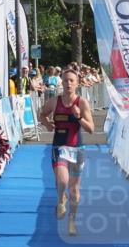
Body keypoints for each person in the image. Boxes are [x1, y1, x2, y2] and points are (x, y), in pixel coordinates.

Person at [39, 68, 95, 237]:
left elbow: (91, 129)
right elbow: (41, 114)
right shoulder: (54, 102)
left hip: (77, 149)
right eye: (65, 80)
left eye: (72, 80)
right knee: (62, 180)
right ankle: (60, 199)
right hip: (59, 147)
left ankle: (72, 220)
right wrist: (47, 124)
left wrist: (79, 117)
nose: (68, 83)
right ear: (61, 82)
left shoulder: (82, 102)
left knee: (75, 190)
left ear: (77, 83)